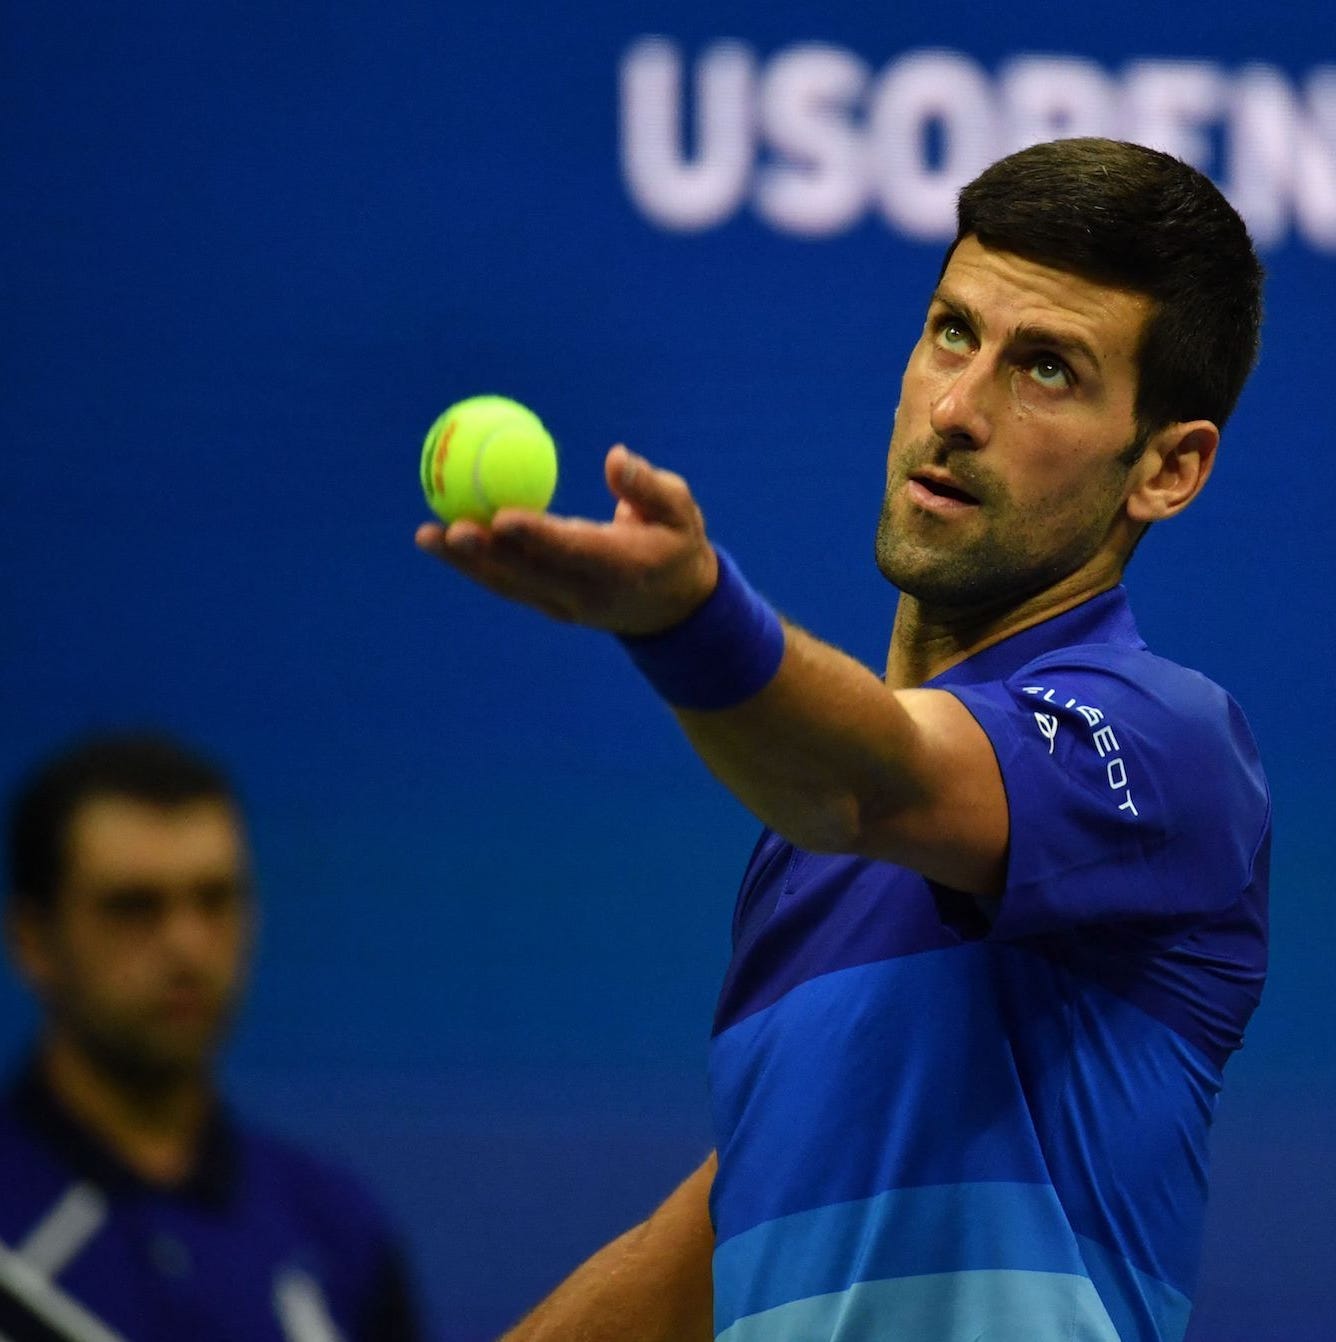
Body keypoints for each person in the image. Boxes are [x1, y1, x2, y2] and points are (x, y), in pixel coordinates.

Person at [422, 136, 1270, 1342]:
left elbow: (875, 782)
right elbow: (724, 1241)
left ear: (1168, 468)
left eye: (1046, 370)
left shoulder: (1170, 747)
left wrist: (688, 614)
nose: (960, 407)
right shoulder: (802, 842)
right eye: (951, 332)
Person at [1, 733, 422, 1342]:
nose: (187, 947)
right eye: (135, 906)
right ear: (33, 939)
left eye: (215, 899)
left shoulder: (334, 1228)